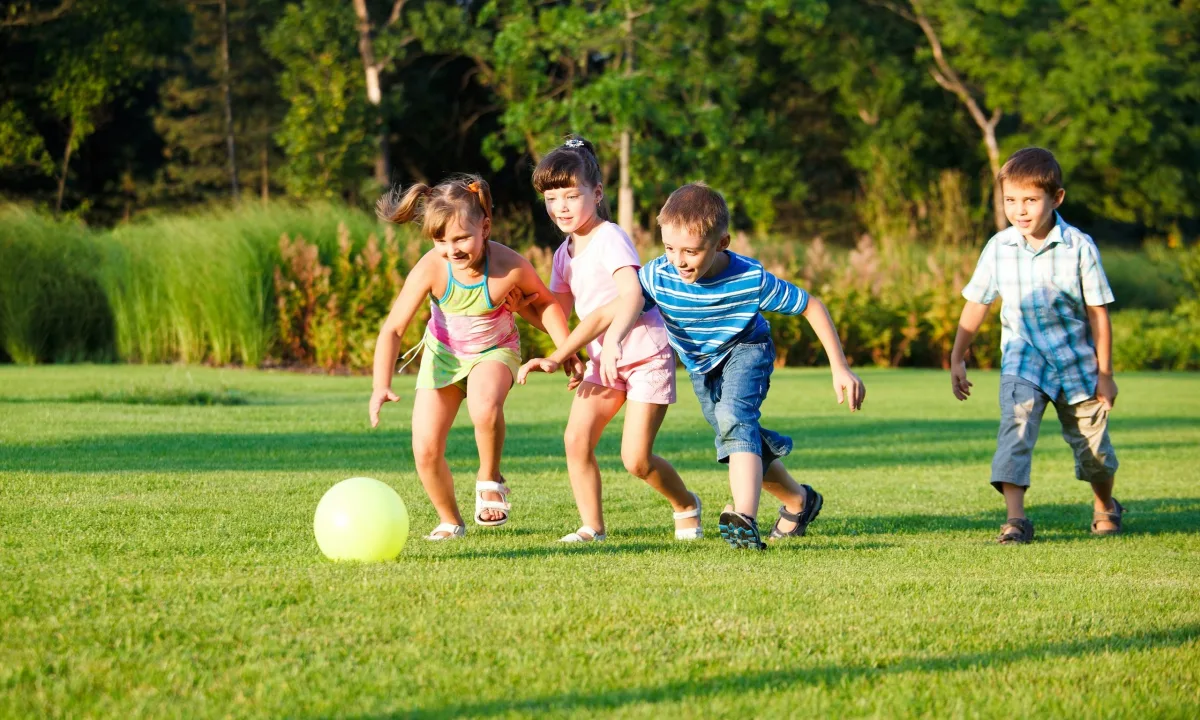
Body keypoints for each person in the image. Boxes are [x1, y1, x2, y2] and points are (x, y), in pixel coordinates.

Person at [521, 182, 865, 549]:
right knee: (738, 436)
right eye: (670, 248)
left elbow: (811, 305)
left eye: (691, 251)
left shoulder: (750, 279)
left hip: (746, 349)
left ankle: (744, 518)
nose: (679, 260)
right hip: (702, 366)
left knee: (734, 418)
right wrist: (559, 355)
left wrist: (840, 367)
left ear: (722, 243)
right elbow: (610, 311)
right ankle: (799, 500)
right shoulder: (660, 275)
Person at [369, 174, 574, 541]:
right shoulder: (433, 267)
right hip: (443, 358)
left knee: (484, 406)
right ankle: (450, 520)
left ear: (485, 226)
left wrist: (566, 350)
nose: (453, 249)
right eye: (441, 240)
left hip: (495, 351)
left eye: (462, 237)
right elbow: (393, 329)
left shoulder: (508, 265)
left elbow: (545, 305)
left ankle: (489, 476)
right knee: (426, 449)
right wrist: (380, 384)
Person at [525, 136, 701, 543]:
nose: (561, 207)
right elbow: (558, 314)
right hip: (603, 360)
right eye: (552, 198)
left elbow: (632, 294)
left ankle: (686, 503)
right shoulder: (562, 254)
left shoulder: (610, 237)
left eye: (572, 195)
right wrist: (522, 310)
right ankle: (592, 527)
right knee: (576, 439)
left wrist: (615, 340)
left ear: (597, 193)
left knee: (636, 460)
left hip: (643, 354)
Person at [951, 147, 1121, 544]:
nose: (1020, 210)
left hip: (1077, 364)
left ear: (1056, 198)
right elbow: (977, 303)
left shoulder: (1079, 246)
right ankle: (1016, 520)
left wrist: (1106, 373)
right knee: (1016, 430)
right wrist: (958, 356)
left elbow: (1098, 313)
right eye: (1011, 200)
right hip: (1023, 360)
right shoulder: (999, 247)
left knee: (1093, 451)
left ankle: (1105, 505)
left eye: (1030, 200)